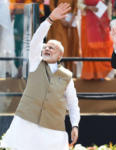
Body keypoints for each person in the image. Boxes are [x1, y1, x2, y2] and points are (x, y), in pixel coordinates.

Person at [1, 3, 80, 150]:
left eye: (52, 47)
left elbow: (73, 103)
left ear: (60, 56)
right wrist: (50, 20)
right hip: (27, 123)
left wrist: (75, 124)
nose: (47, 48)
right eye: (46, 47)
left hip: (53, 129)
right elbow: (37, 40)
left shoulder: (67, 76)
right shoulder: (36, 63)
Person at [78, 0, 113, 80]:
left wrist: (109, 19)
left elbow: (109, 4)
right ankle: (90, 74)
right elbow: (79, 4)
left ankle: (101, 74)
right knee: (89, 47)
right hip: (87, 21)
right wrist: (89, 7)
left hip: (102, 23)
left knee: (103, 47)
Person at [47, 0, 80, 72]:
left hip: (70, 24)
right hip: (57, 24)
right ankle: (57, 71)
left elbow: (75, 6)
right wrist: (61, 19)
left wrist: (71, 20)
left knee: (71, 47)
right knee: (59, 47)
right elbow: (52, 6)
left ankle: (69, 72)